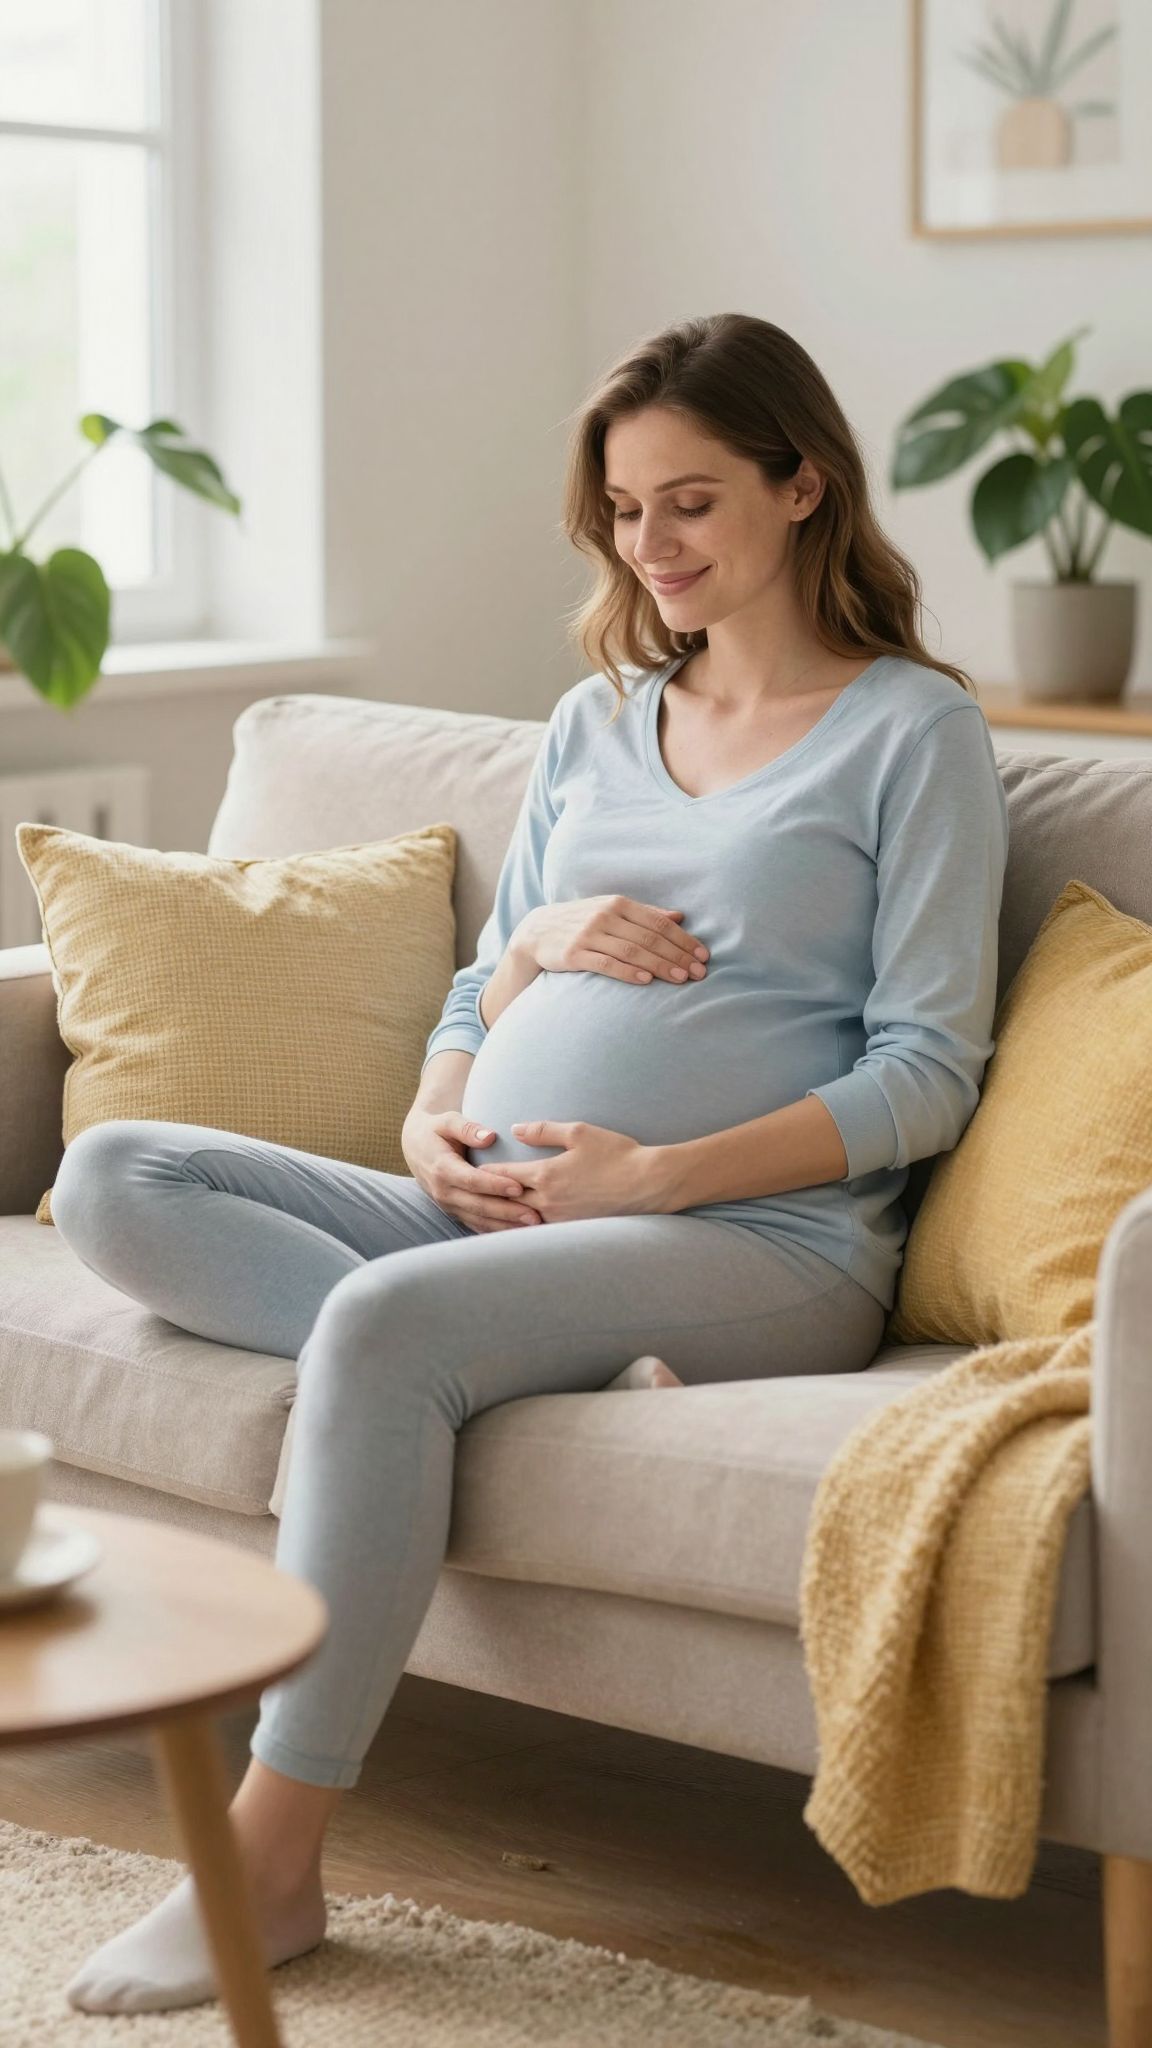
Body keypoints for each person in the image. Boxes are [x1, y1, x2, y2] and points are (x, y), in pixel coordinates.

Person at [52, 310, 1008, 2014]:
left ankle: (267, 1863)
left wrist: (654, 1178)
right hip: (485, 1196)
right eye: (627, 513)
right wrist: (438, 1112)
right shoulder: (593, 721)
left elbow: (927, 1074)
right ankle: (517, 1348)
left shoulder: (910, 733)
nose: (653, 549)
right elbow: (484, 979)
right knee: (123, 1172)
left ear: (805, 487)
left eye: (693, 503)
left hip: (767, 1243)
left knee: (384, 1330)